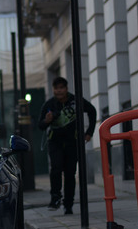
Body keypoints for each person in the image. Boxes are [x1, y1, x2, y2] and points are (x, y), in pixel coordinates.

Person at [38, 77, 97, 215]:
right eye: (56, 88)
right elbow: (40, 126)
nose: (59, 91)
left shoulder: (75, 101)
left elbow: (92, 111)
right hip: (55, 142)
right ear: (53, 89)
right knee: (56, 169)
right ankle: (55, 197)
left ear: (66, 88)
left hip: (73, 142)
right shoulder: (49, 104)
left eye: (61, 88)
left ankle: (68, 204)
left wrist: (89, 132)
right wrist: (47, 121)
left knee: (70, 174)